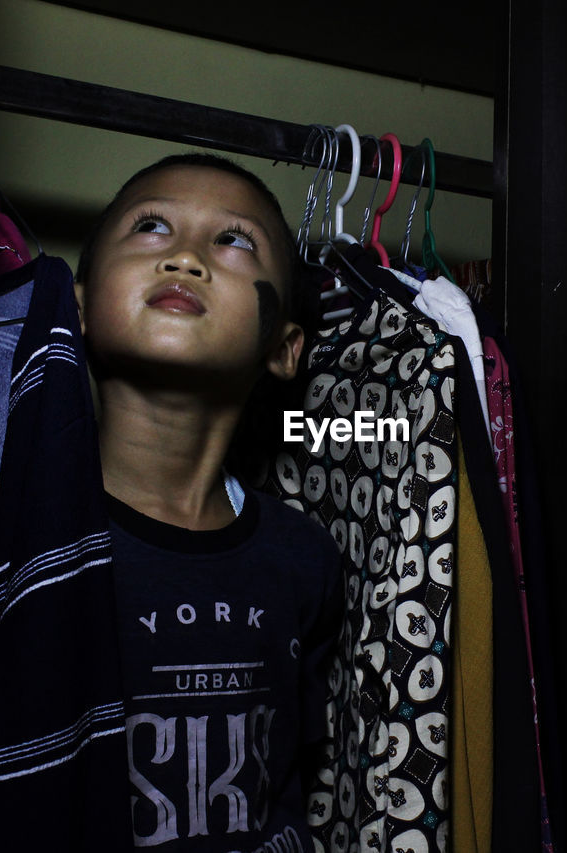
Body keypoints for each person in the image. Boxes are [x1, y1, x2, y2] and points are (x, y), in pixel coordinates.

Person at [73, 152, 343, 851]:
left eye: (233, 240)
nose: (187, 257)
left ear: (286, 347)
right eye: (153, 226)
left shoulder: (302, 559)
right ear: (75, 305)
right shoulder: (21, 539)